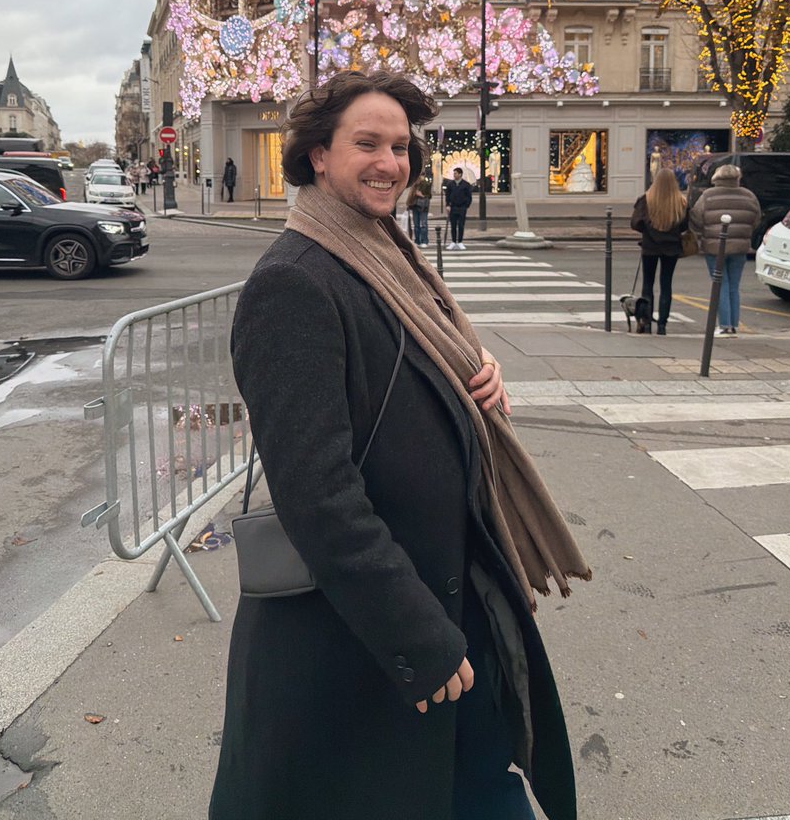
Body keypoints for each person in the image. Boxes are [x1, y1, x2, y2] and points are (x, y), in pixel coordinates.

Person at [210, 70, 590, 820]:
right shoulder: (295, 283)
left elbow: (418, 367)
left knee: (485, 782)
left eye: (401, 146)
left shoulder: (384, 257)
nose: (392, 161)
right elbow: (318, 495)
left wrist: (474, 384)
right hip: (368, 635)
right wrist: (417, 635)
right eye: (368, 144)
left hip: (451, 592)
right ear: (318, 155)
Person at [688, 162, 760, 336]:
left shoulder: (708, 196)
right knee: (734, 286)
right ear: (737, 178)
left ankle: (724, 325)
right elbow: (756, 219)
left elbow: (696, 218)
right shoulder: (748, 196)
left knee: (720, 284)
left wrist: (705, 231)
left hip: (715, 246)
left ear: (717, 177)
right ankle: (734, 324)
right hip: (740, 247)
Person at [630, 167, 689, 335]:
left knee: (647, 284)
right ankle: (662, 324)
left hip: (650, 246)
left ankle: (647, 322)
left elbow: (635, 223)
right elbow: (685, 224)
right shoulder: (681, 202)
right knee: (666, 284)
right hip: (671, 247)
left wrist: (648, 230)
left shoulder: (646, 199)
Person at [444, 167, 472, 250]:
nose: (454, 175)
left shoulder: (466, 185)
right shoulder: (450, 184)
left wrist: (466, 205)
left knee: (461, 225)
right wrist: (447, 205)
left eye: (455, 173)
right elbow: (447, 195)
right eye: (454, 173)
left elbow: (469, 196)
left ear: (460, 174)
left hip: (462, 207)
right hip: (453, 207)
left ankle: (460, 241)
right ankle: (453, 241)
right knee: (453, 225)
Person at [407, 173, 431, 245]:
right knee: (416, 225)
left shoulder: (426, 184)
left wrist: (422, 195)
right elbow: (410, 196)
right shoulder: (414, 185)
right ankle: (417, 240)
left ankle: (424, 240)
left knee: (423, 224)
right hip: (415, 206)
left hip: (423, 206)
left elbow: (429, 195)